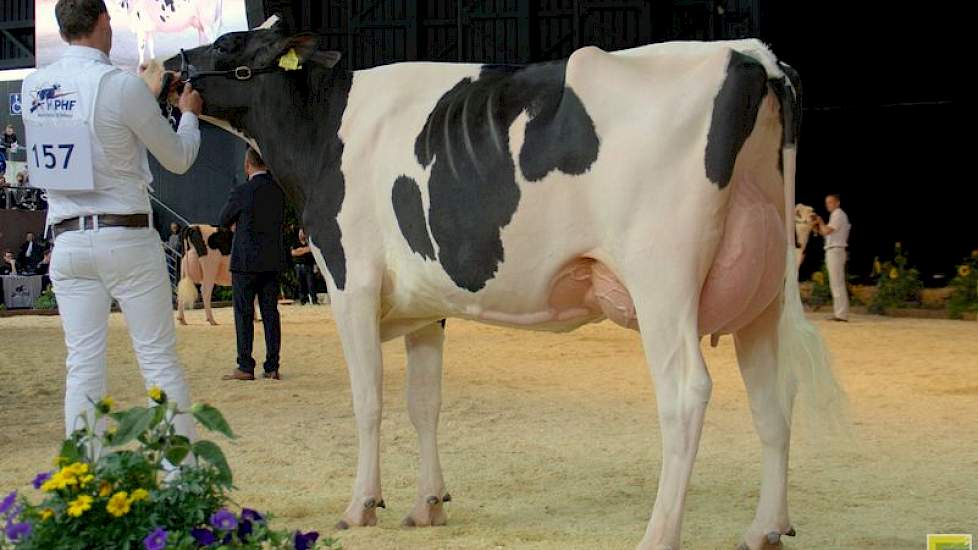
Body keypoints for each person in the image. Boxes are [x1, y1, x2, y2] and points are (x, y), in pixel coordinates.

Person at [24, 0, 204, 437]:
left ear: (63, 28)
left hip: (67, 241)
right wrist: (189, 115)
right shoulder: (120, 87)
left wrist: (143, 94)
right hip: (125, 238)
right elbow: (178, 158)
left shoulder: (34, 86)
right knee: (158, 360)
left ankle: (85, 481)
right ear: (105, 22)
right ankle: (177, 479)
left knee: (82, 366)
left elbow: (89, 130)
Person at [219, 148, 286, 381]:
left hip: (245, 261)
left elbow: (223, 219)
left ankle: (246, 366)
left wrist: (236, 223)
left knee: (244, 314)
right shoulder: (279, 191)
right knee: (270, 313)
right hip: (272, 259)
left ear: (248, 166)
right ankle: (272, 366)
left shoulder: (242, 191)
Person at [813, 193, 851, 322]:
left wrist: (821, 222)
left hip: (836, 251)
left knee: (837, 283)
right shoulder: (835, 215)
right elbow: (824, 232)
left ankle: (841, 314)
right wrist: (817, 226)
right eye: (827, 203)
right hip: (833, 250)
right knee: (835, 283)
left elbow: (827, 231)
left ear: (837, 202)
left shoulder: (838, 214)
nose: (828, 205)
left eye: (830, 202)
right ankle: (839, 313)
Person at [291, 228, 319, 305]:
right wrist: (305, 250)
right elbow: (293, 253)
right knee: (301, 285)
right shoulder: (295, 243)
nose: (301, 234)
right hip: (298, 267)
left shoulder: (309, 242)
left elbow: (312, 250)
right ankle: (302, 301)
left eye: (303, 233)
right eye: (300, 232)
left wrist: (300, 250)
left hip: (308, 266)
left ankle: (314, 301)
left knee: (311, 284)